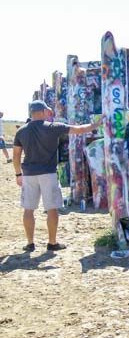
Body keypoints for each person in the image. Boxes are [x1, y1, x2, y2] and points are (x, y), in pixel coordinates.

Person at [12, 100, 100, 252]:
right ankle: (52, 243)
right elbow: (78, 130)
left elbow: (16, 156)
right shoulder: (54, 127)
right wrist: (95, 125)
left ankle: (30, 243)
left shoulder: (21, 131)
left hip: (29, 175)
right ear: (43, 111)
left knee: (28, 209)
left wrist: (18, 174)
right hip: (48, 174)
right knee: (52, 209)